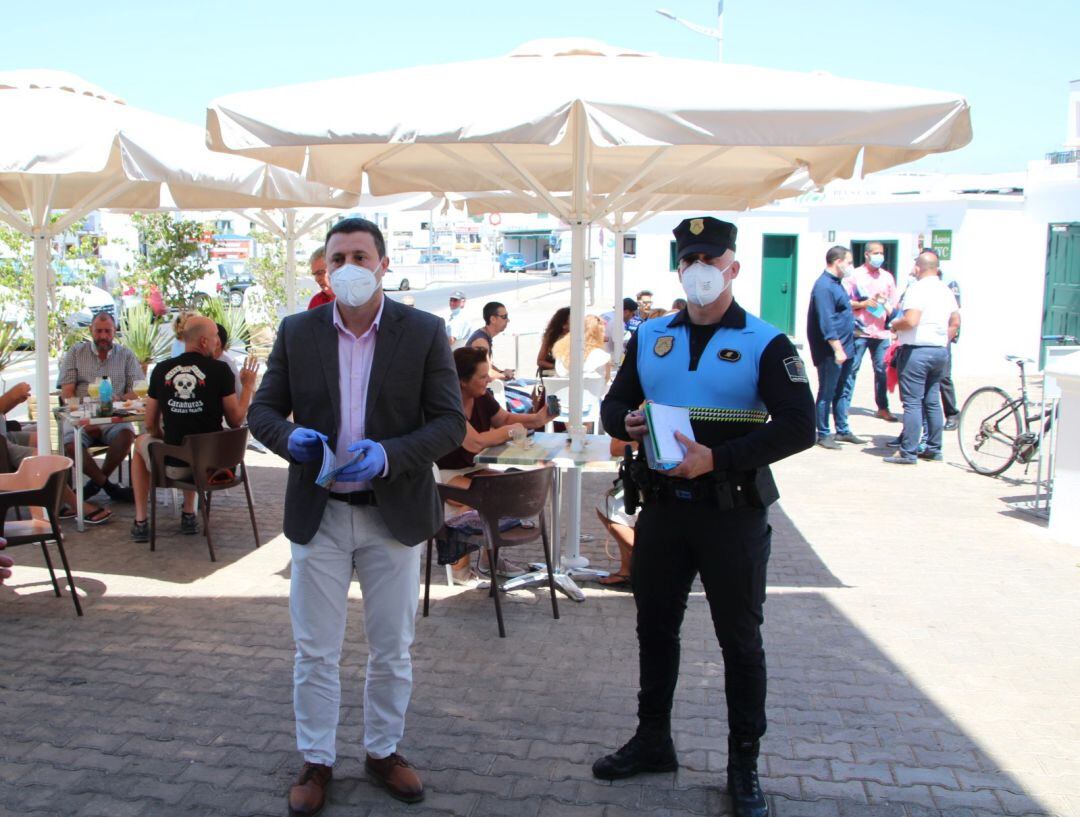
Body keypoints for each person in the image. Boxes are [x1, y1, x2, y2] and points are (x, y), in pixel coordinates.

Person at [595, 216, 815, 817]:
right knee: (654, 629)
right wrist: (626, 423)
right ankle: (653, 740)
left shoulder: (767, 342)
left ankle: (743, 766)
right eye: (689, 260)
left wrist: (716, 458)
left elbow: (801, 425)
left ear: (733, 269)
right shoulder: (651, 336)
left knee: (739, 641)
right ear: (679, 269)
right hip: (664, 511)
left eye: (710, 261)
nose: (699, 271)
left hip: (732, 515)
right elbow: (615, 403)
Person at [247, 217, 465, 813]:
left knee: (392, 646)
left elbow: (450, 422)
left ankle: (382, 751)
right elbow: (261, 412)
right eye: (337, 257)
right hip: (319, 511)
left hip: (391, 512)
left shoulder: (422, 331)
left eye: (359, 256)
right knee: (314, 649)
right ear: (325, 267)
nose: (348, 267)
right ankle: (317, 760)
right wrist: (288, 439)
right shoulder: (298, 331)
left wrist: (391, 455)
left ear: (382, 265)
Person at [128, 316, 256, 541]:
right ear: (204, 342)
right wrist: (247, 387)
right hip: (216, 466)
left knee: (141, 444)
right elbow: (236, 420)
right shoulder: (220, 370)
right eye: (216, 335)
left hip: (176, 467)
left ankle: (141, 520)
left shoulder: (161, 370)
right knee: (193, 442)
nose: (219, 341)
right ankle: (189, 514)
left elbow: (149, 423)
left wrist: (160, 436)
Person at [437, 346, 553, 580]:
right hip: (443, 474)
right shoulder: (445, 404)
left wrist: (538, 419)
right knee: (482, 500)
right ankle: (460, 569)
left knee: (507, 491)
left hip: (475, 468)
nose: (488, 379)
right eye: (482, 376)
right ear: (462, 381)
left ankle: (490, 562)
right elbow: (475, 443)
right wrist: (511, 432)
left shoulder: (482, 397)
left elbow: (504, 418)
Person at [884, 250, 960, 465]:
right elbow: (955, 321)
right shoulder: (945, 289)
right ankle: (934, 449)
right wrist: (942, 341)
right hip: (938, 350)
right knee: (932, 401)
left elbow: (911, 320)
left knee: (912, 403)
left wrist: (894, 324)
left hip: (917, 351)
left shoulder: (917, 289)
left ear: (919, 267)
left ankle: (908, 451)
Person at [57, 311, 141, 503]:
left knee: (127, 435)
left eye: (107, 331)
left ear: (115, 331)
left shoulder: (126, 355)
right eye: (98, 331)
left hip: (113, 415)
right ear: (90, 330)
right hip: (81, 414)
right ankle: (108, 486)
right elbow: (67, 392)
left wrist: (117, 398)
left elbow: (136, 391)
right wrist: (86, 420)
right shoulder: (76, 353)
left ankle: (95, 484)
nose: (103, 336)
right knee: (70, 443)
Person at [807, 246, 865, 450]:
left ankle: (842, 428)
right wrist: (837, 348)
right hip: (831, 350)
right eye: (849, 262)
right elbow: (826, 320)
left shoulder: (837, 284)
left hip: (847, 346)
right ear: (837, 261)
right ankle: (823, 433)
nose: (851, 267)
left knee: (842, 391)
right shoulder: (823, 286)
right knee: (827, 392)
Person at [840, 241, 899, 422]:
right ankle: (843, 408)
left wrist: (884, 304)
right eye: (875, 253)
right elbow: (845, 302)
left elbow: (895, 306)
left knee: (881, 370)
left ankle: (882, 407)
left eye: (881, 253)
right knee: (851, 369)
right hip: (859, 331)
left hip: (881, 333)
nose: (879, 256)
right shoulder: (855, 276)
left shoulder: (887, 277)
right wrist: (864, 304)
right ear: (866, 254)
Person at [2, 436, 112, 524]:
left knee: (40, 437)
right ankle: (76, 506)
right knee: (41, 458)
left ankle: (55, 504)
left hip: (6, 433)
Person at [553, 314, 611, 380]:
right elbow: (606, 381)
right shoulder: (602, 356)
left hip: (562, 389)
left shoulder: (561, 353)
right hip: (592, 389)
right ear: (599, 334)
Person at [467, 301, 514, 380]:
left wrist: (501, 372)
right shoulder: (481, 341)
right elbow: (488, 373)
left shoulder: (483, 336)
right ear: (492, 319)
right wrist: (505, 375)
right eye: (504, 317)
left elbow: (486, 365)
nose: (508, 320)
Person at [536, 306, 570, 374]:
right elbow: (540, 361)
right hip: (555, 373)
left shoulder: (580, 337)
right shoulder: (552, 336)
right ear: (564, 324)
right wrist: (558, 367)